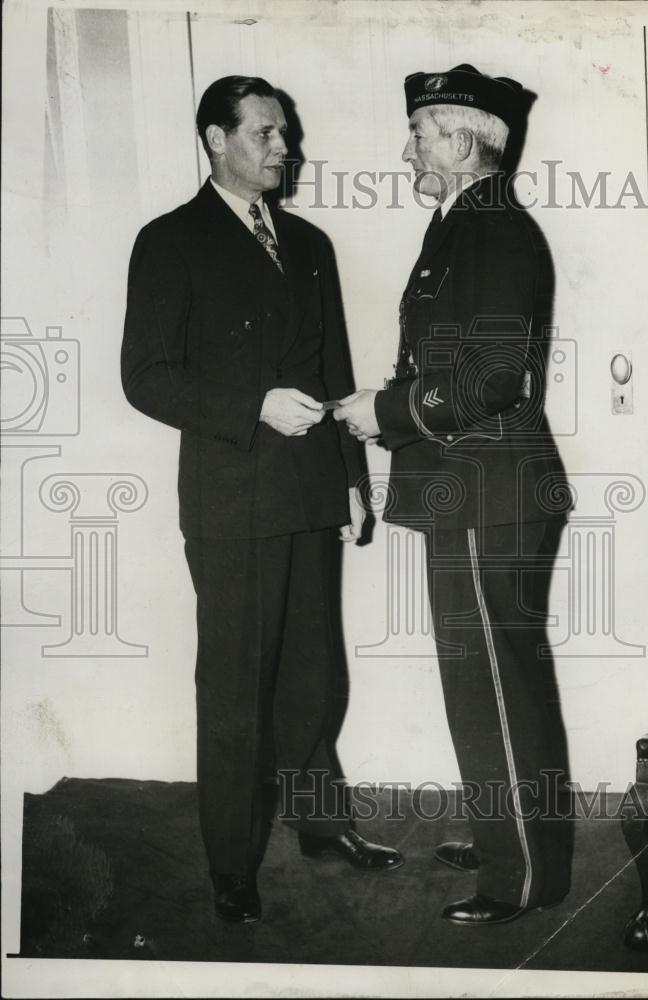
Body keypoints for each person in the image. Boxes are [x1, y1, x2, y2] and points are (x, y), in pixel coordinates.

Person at [122, 75, 402, 925]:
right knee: (238, 684)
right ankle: (232, 864)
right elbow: (145, 378)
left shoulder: (309, 242)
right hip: (232, 497)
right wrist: (250, 403)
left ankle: (322, 827)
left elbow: (333, 370)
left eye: (286, 134)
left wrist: (353, 484)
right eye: (268, 134)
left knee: (313, 678)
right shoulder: (169, 240)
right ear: (216, 138)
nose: (286, 148)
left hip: (312, 491)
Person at [335, 64, 571, 926]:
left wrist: (384, 411)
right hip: (471, 485)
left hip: (485, 488)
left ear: (466, 143)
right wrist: (389, 412)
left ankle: (523, 877)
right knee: (491, 677)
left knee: (493, 685)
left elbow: (493, 378)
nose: (408, 151)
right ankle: (509, 829)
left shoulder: (493, 233)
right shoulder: (463, 228)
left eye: (423, 135)